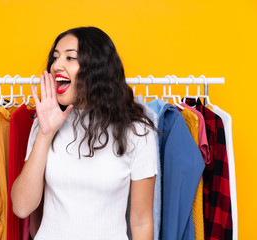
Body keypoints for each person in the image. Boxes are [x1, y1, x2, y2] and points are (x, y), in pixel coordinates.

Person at [11, 26, 158, 240]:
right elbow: (22, 207)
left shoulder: (136, 131)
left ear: (97, 69)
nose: (56, 66)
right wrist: (45, 134)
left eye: (70, 58)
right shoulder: (44, 124)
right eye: (55, 58)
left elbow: (142, 221)